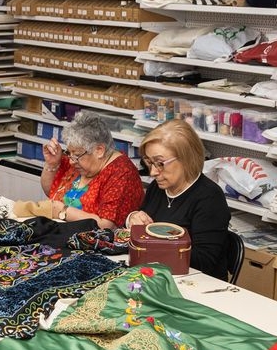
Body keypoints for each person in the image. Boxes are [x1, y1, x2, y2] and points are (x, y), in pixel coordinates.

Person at [126, 118, 233, 278]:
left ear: (186, 159)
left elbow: (204, 261)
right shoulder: (159, 187)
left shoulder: (209, 198)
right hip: (158, 275)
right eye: (149, 162)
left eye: (160, 163)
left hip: (197, 283)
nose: (153, 172)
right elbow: (142, 230)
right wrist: (132, 218)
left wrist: (155, 246)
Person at [39, 112, 145, 229]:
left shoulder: (122, 173)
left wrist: (63, 211)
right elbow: (51, 192)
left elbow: (107, 226)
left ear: (99, 150)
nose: (71, 161)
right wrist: (51, 164)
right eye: (69, 153)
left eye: (77, 155)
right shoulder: (78, 160)